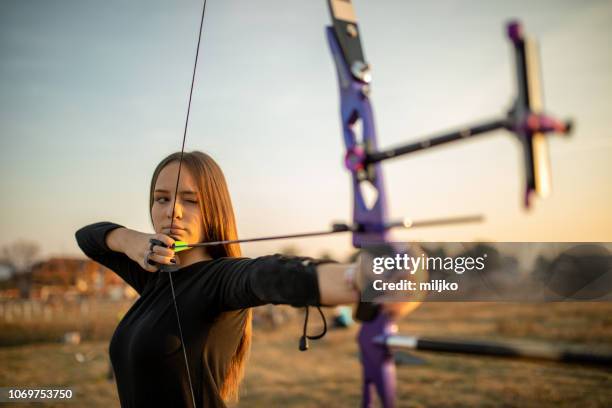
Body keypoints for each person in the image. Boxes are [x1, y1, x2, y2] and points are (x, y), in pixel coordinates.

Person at [75, 151, 422, 407]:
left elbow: (266, 275)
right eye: (161, 199)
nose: (172, 211)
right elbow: (88, 236)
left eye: (190, 200)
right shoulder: (153, 275)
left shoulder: (221, 280)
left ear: (214, 208)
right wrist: (132, 241)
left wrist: (362, 279)